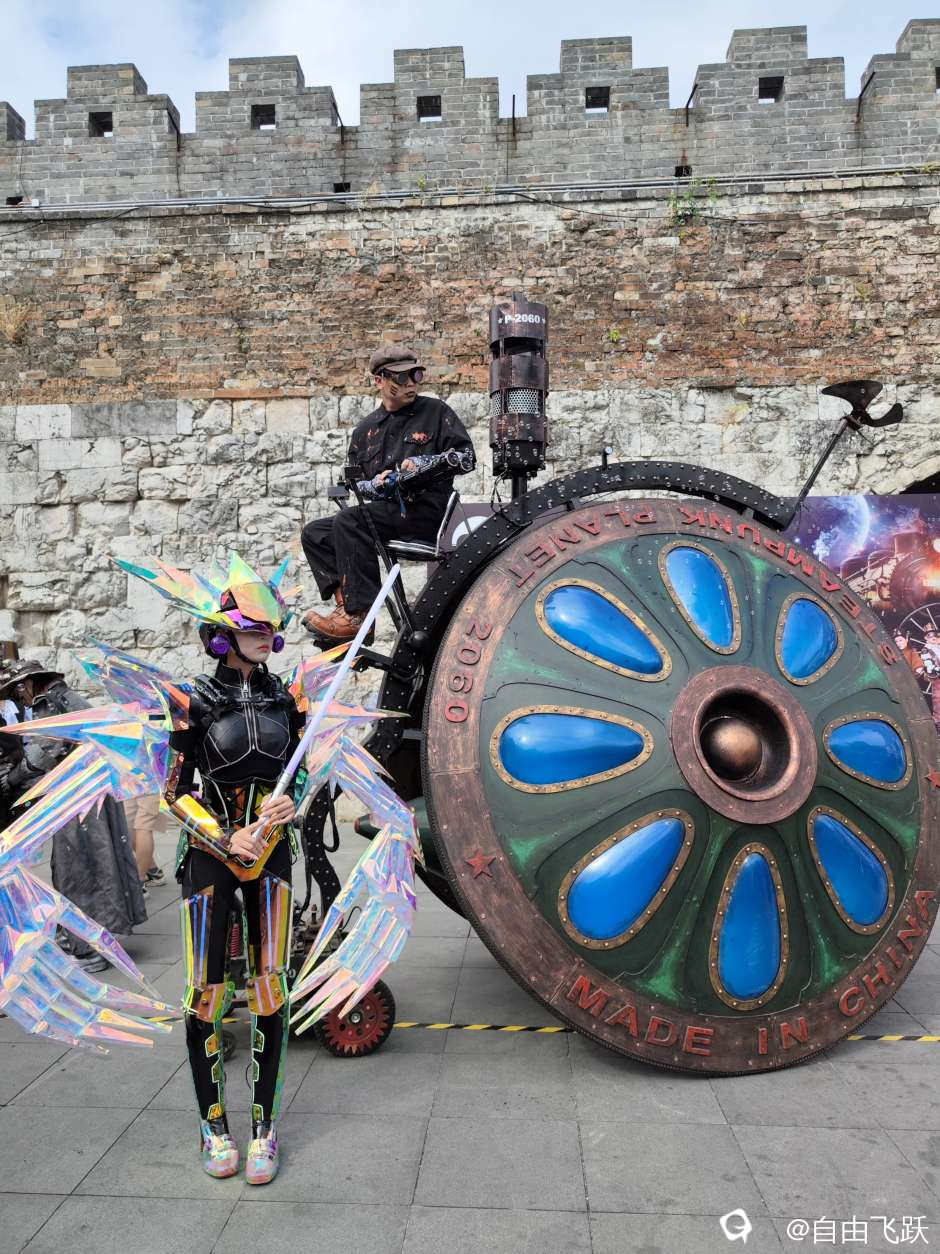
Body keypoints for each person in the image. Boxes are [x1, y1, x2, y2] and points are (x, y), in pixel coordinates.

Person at [146, 566, 304, 1185]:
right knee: (206, 992)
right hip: (212, 856)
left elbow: (302, 769)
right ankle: (213, 1125)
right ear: (223, 633)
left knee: (270, 989)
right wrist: (221, 834)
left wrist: (294, 800)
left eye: (271, 628)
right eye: (254, 627)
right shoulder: (191, 700)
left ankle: (264, 1127)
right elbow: (172, 791)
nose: (267, 636)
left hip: (272, 853)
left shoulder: (288, 698)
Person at [301, 343, 475, 641]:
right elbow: (356, 483)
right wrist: (378, 484)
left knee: (351, 520)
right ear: (379, 381)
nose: (411, 384)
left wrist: (422, 465)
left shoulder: (436, 412)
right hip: (386, 512)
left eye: (415, 375)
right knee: (314, 533)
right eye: (401, 377)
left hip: (426, 513)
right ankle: (347, 609)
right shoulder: (366, 430)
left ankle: (358, 615)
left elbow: (467, 458)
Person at [0, 659, 147, 972]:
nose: (19, 699)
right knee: (99, 865)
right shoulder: (67, 698)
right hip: (92, 795)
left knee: (78, 871)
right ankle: (90, 937)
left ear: (28, 685)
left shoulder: (50, 703)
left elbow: (45, 749)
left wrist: (13, 778)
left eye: (17, 692)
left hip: (78, 800)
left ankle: (90, 947)